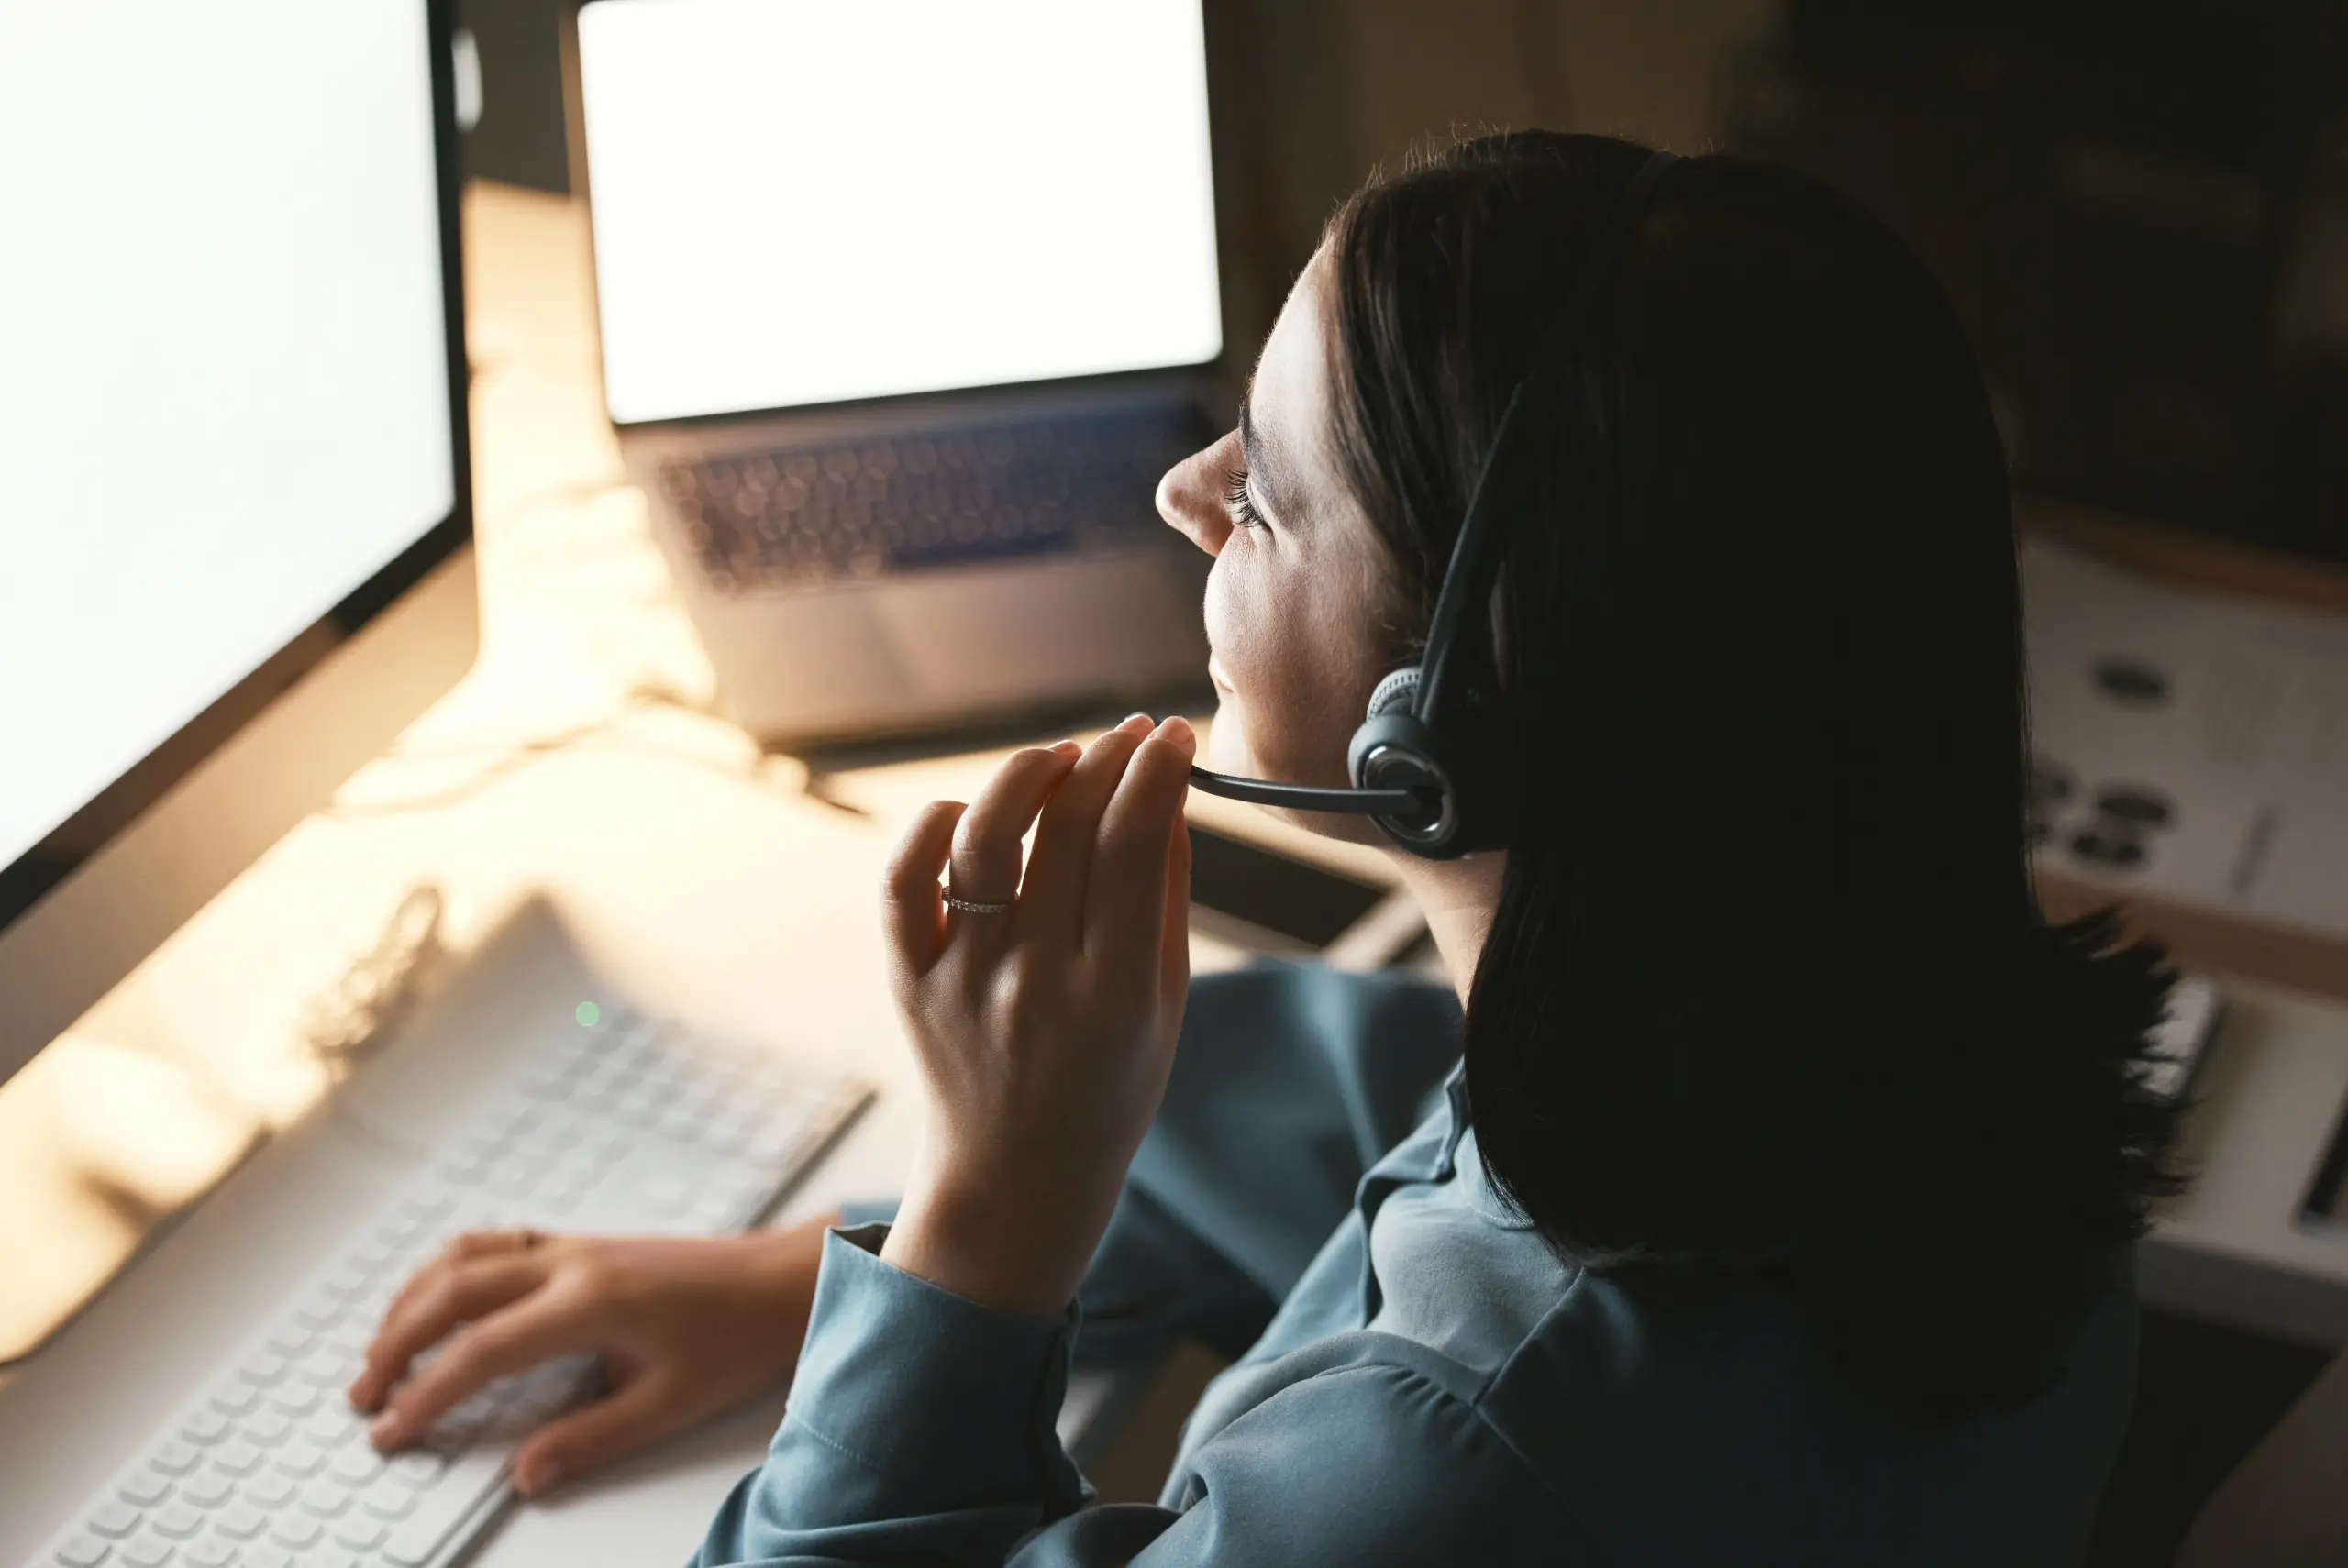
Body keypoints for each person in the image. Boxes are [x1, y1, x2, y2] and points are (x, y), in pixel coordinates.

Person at [347, 132, 2184, 1564]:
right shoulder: (1898, 1044)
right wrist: (822, 1275)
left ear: (1435, 728)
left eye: (1272, 497)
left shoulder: (1450, 1480)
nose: (1181, 495)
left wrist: (989, 1208)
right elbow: (1378, 1112)